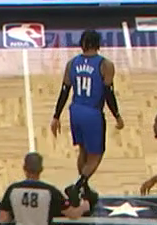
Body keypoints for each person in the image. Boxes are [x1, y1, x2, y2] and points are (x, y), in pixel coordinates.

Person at [50, 29, 122, 210]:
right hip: (92, 113)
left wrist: (56, 116)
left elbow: (64, 91)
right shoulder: (105, 65)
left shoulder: (72, 63)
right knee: (96, 155)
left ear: (82, 44)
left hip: (75, 111)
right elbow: (108, 94)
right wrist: (117, 115)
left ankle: (85, 189)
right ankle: (77, 186)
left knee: (83, 151)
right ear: (98, 44)